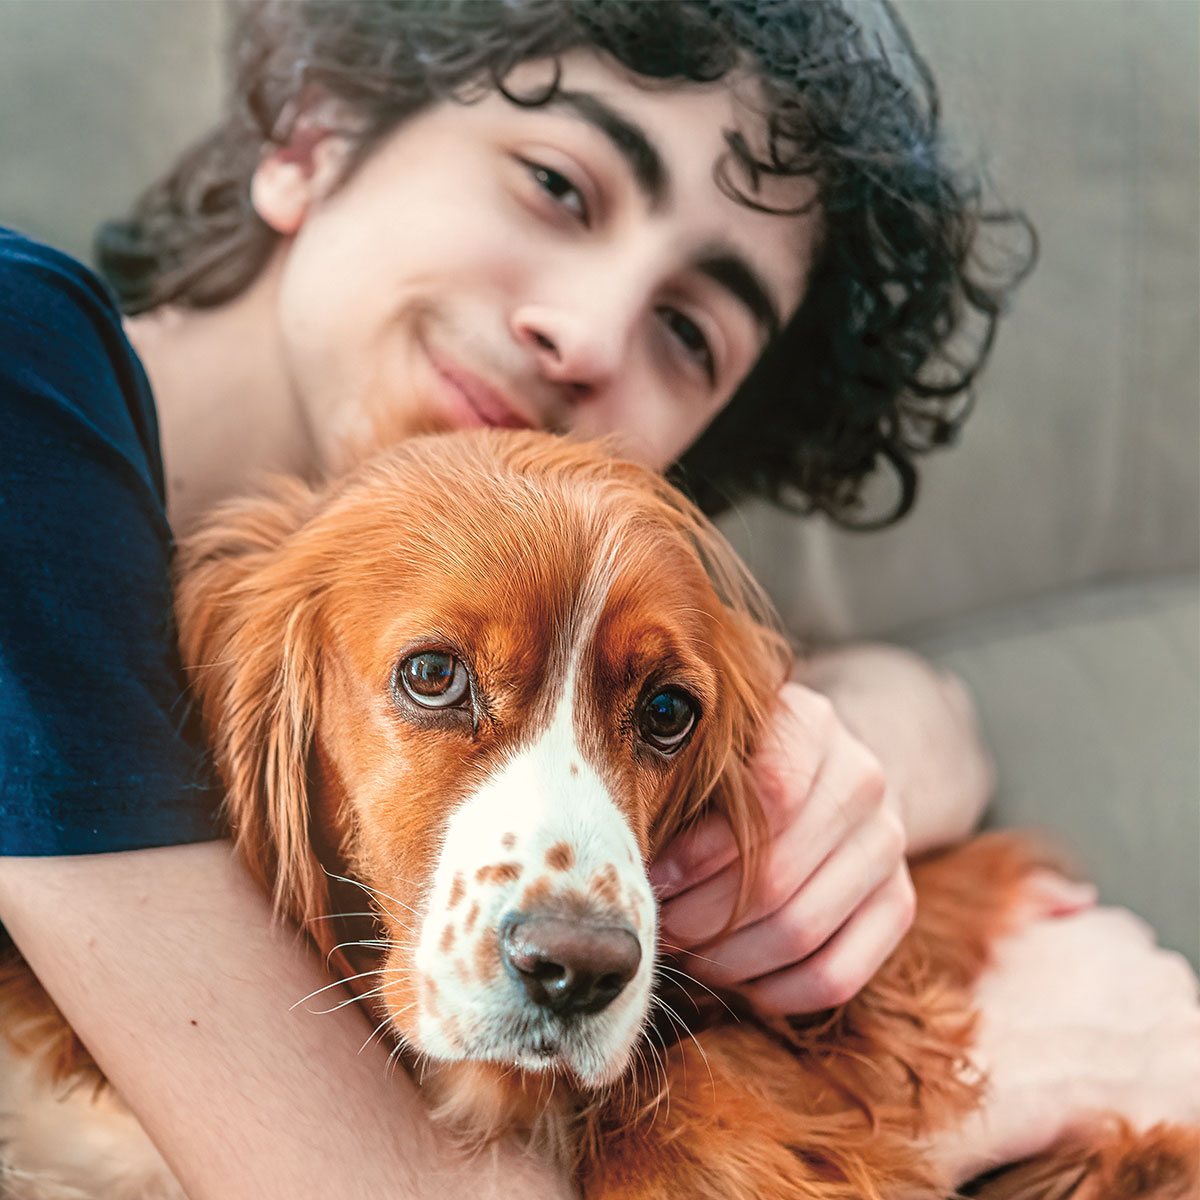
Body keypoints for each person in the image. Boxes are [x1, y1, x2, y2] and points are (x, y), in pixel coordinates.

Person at [0, 2, 1195, 1197]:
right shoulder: (19, 372)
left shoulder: (592, 649)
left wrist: (888, 723)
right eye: (558, 187)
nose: (583, 335)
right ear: (313, 132)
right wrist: (992, 1086)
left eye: (688, 331)